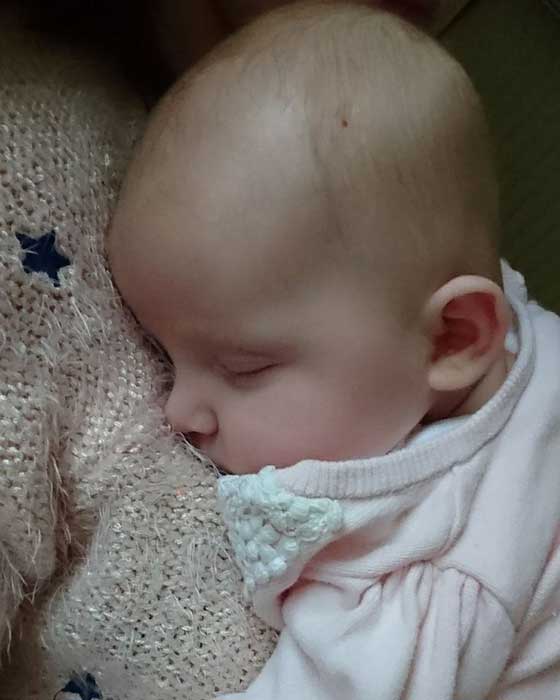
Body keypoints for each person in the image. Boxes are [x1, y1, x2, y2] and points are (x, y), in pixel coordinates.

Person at [108, 3, 560, 698]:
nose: (178, 411)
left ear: (455, 337)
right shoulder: (476, 339)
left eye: (244, 368)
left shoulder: (438, 574)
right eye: (167, 356)